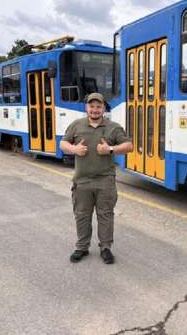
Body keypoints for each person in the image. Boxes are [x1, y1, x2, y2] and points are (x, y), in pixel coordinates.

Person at [60, 93, 133, 264]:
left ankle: (105, 248)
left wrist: (111, 149)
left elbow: (128, 146)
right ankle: (82, 247)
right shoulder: (76, 125)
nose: (94, 110)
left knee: (105, 215)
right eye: (91, 106)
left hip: (105, 181)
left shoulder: (113, 127)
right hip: (82, 181)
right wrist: (73, 149)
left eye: (98, 106)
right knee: (82, 215)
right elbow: (63, 144)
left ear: (103, 108)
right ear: (86, 107)